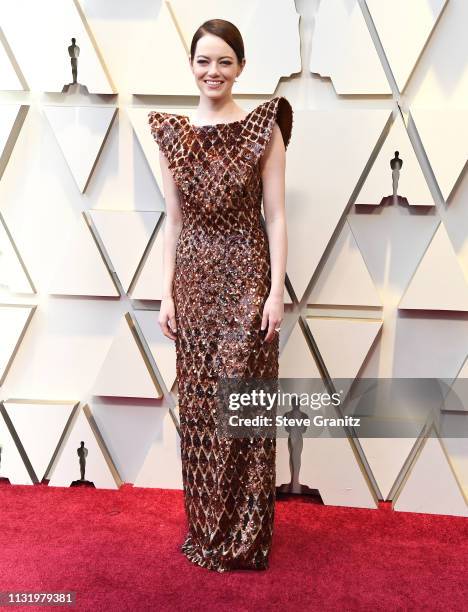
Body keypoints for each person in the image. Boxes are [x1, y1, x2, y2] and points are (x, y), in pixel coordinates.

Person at [148, 18, 293, 573]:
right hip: (193, 281)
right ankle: (207, 529)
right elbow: (173, 221)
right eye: (204, 60)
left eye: (225, 61)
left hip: (248, 273)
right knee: (204, 407)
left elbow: (276, 216)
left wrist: (275, 291)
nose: (214, 71)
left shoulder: (263, 128)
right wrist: (166, 294)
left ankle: (247, 535)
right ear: (191, 65)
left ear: (241, 67)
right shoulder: (172, 134)